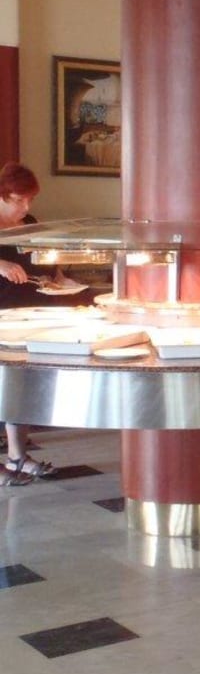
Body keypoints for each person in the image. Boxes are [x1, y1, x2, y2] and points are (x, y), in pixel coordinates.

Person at [0, 161, 74, 485]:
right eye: (19, 200)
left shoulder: (29, 224)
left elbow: (43, 259)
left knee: (21, 385)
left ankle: (17, 457)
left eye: (30, 199)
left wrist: (58, 276)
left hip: (26, 313)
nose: (26, 207)